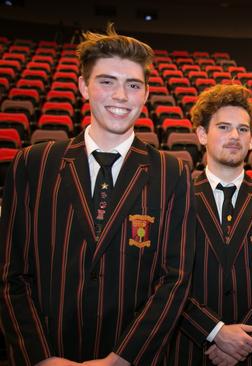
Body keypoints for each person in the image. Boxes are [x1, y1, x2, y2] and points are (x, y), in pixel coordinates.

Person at [0, 24, 196, 365]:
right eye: (107, 81)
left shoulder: (172, 171)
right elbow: (10, 274)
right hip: (49, 350)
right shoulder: (34, 163)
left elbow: (175, 279)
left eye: (133, 85)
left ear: (146, 94)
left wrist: (122, 358)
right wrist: (41, 357)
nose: (121, 96)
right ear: (83, 87)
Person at [169, 84, 252, 366]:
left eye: (242, 129)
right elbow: (165, 278)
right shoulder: (177, 196)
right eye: (224, 127)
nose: (234, 136)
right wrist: (214, 332)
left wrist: (243, 341)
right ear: (202, 134)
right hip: (193, 349)